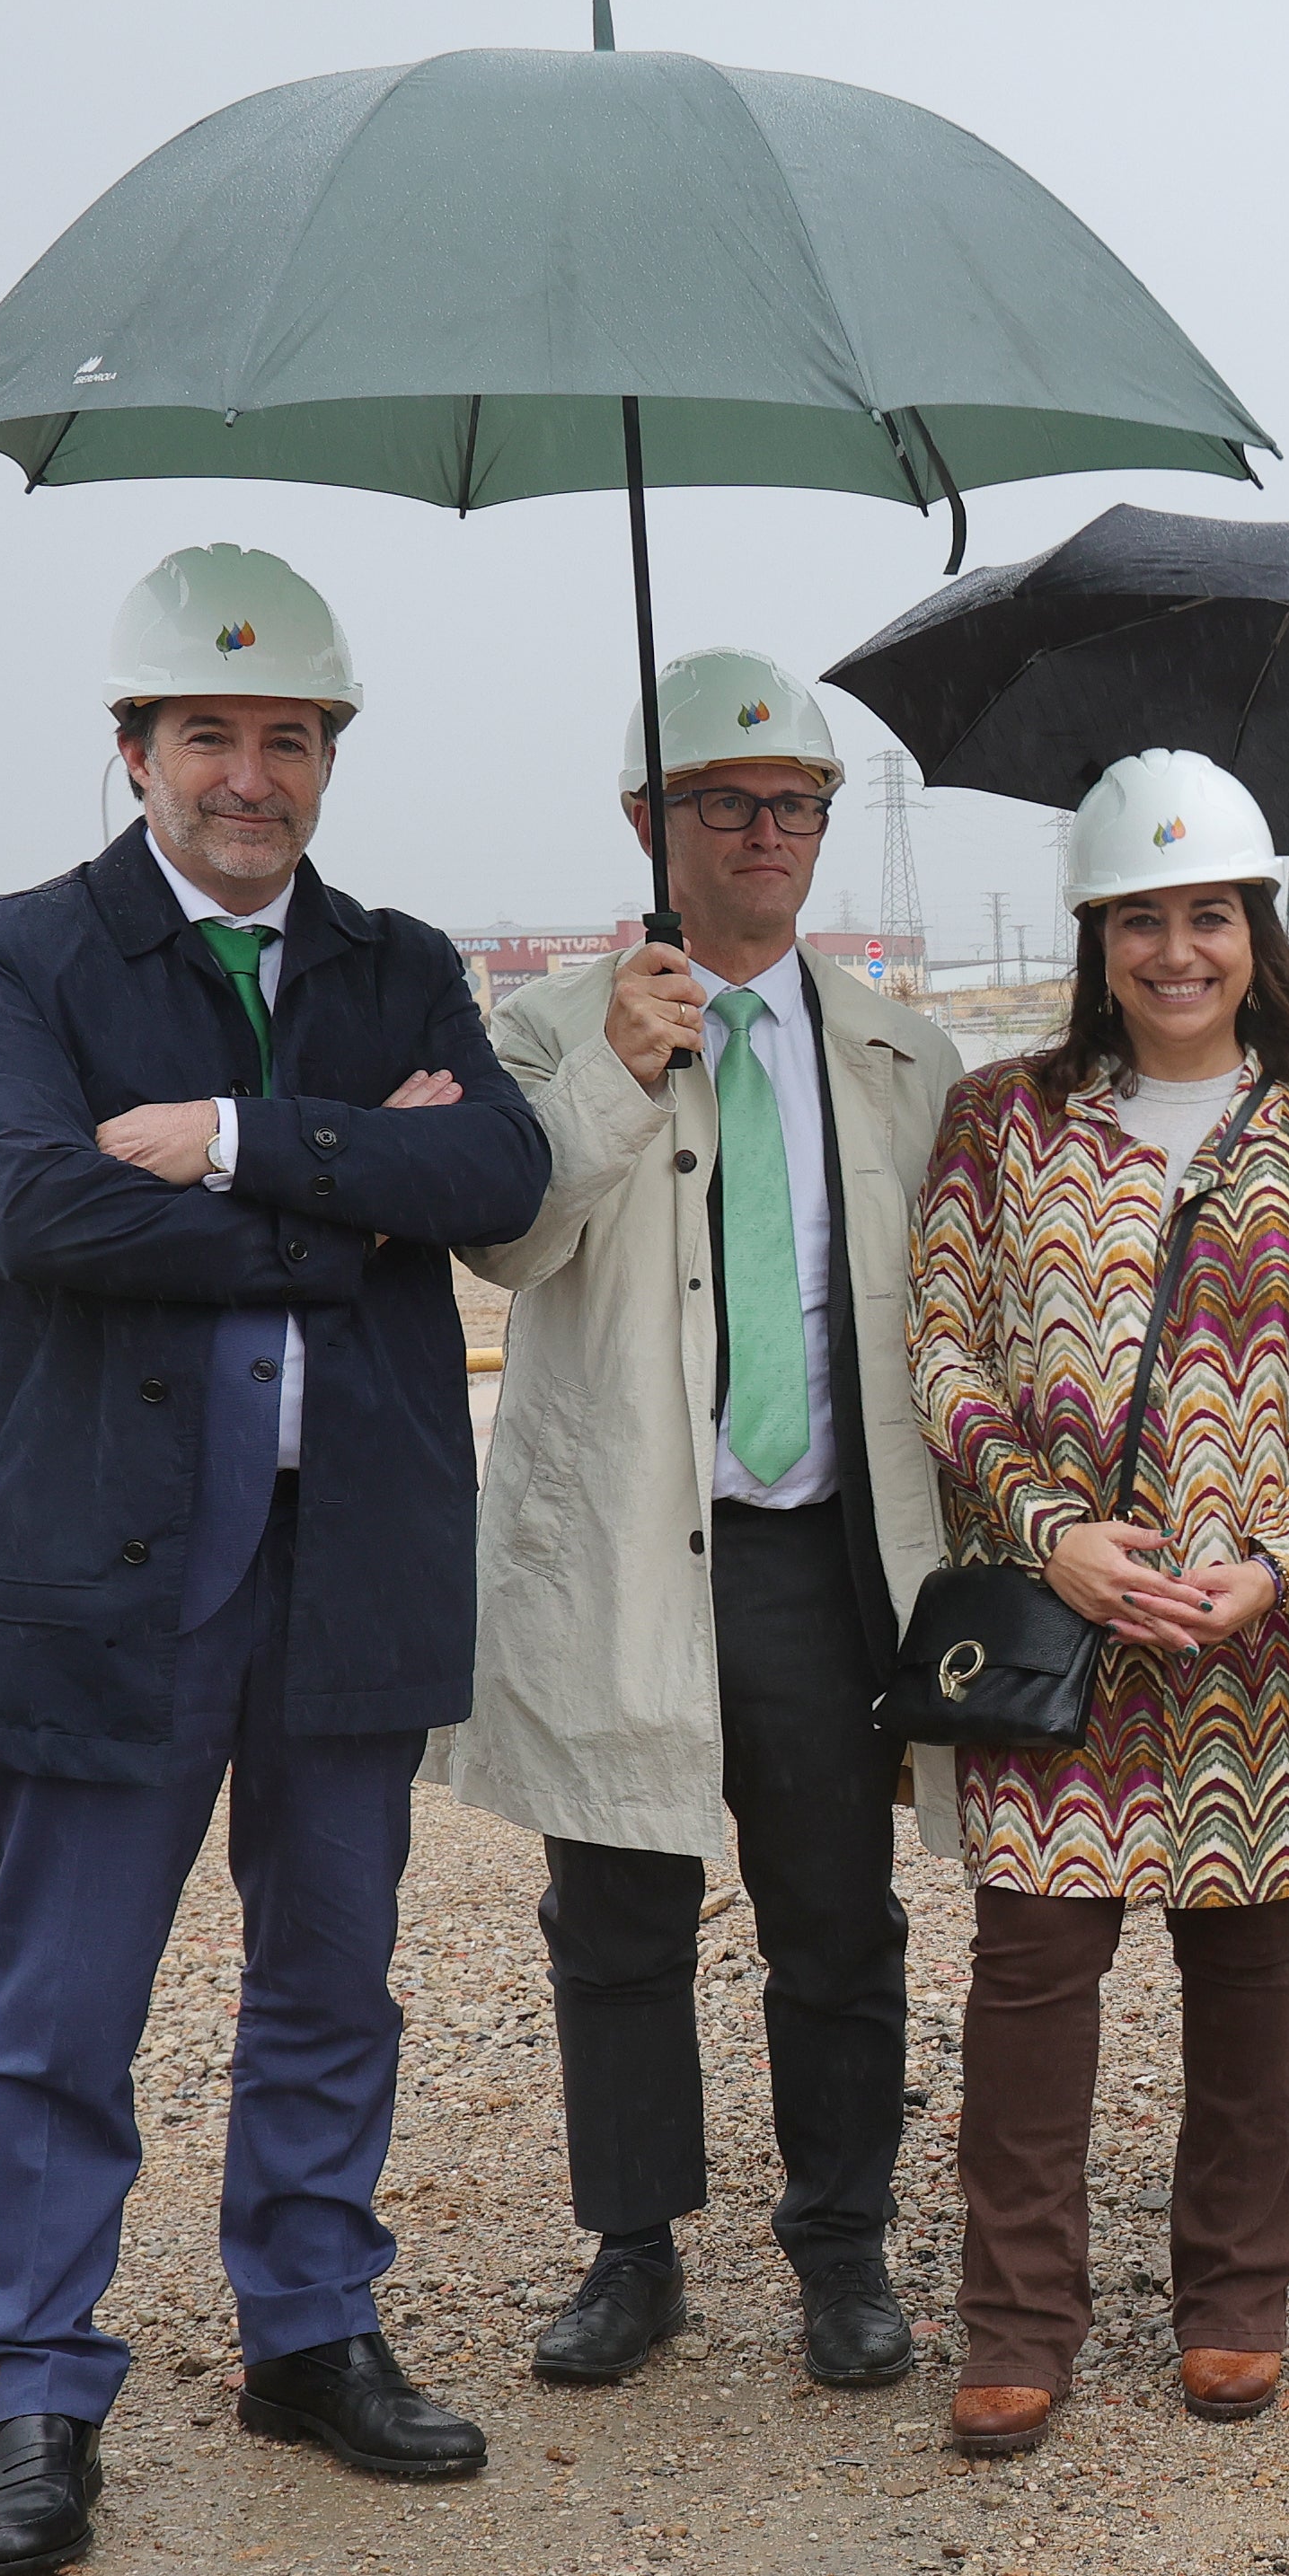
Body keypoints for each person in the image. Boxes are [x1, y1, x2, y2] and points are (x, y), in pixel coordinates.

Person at [0, 544, 551, 2576]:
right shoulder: (13, 957)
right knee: (64, 1997)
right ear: (135, 753)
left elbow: (500, 1172)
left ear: (330, 760)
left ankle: (309, 2328)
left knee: (330, 1980)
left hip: (343, 1551)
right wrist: (354, 1187)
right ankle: (38, 2386)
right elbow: (36, 1220)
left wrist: (229, 1132)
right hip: (108, 1563)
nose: (251, 774)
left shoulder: (395, 959)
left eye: (291, 738)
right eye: (213, 733)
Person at [444, 650, 967, 2395]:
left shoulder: (900, 1055)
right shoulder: (542, 1029)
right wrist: (611, 1067)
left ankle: (844, 2250)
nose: (765, 832)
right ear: (645, 823)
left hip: (818, 1557)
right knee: (616, 1915)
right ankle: (634, 2250)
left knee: (837, 1918)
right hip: (627, 1552)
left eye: (794, 804)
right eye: (725, 803)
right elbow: (506, 1242)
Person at [911, 747, 1289, 2457]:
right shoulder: (1004, 1119)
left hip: (1249, 1645)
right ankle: (1017, 2321)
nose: (1179, 951)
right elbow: (946, 1350)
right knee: (1032, 1972)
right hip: (1063, 1631)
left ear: (1255, 928)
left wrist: (1275, 1559)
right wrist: (1050, 1533)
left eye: (1210, 915)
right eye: (1144, 918)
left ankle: (1233, 2300)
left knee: (1247, 1963)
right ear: (1096, 932)